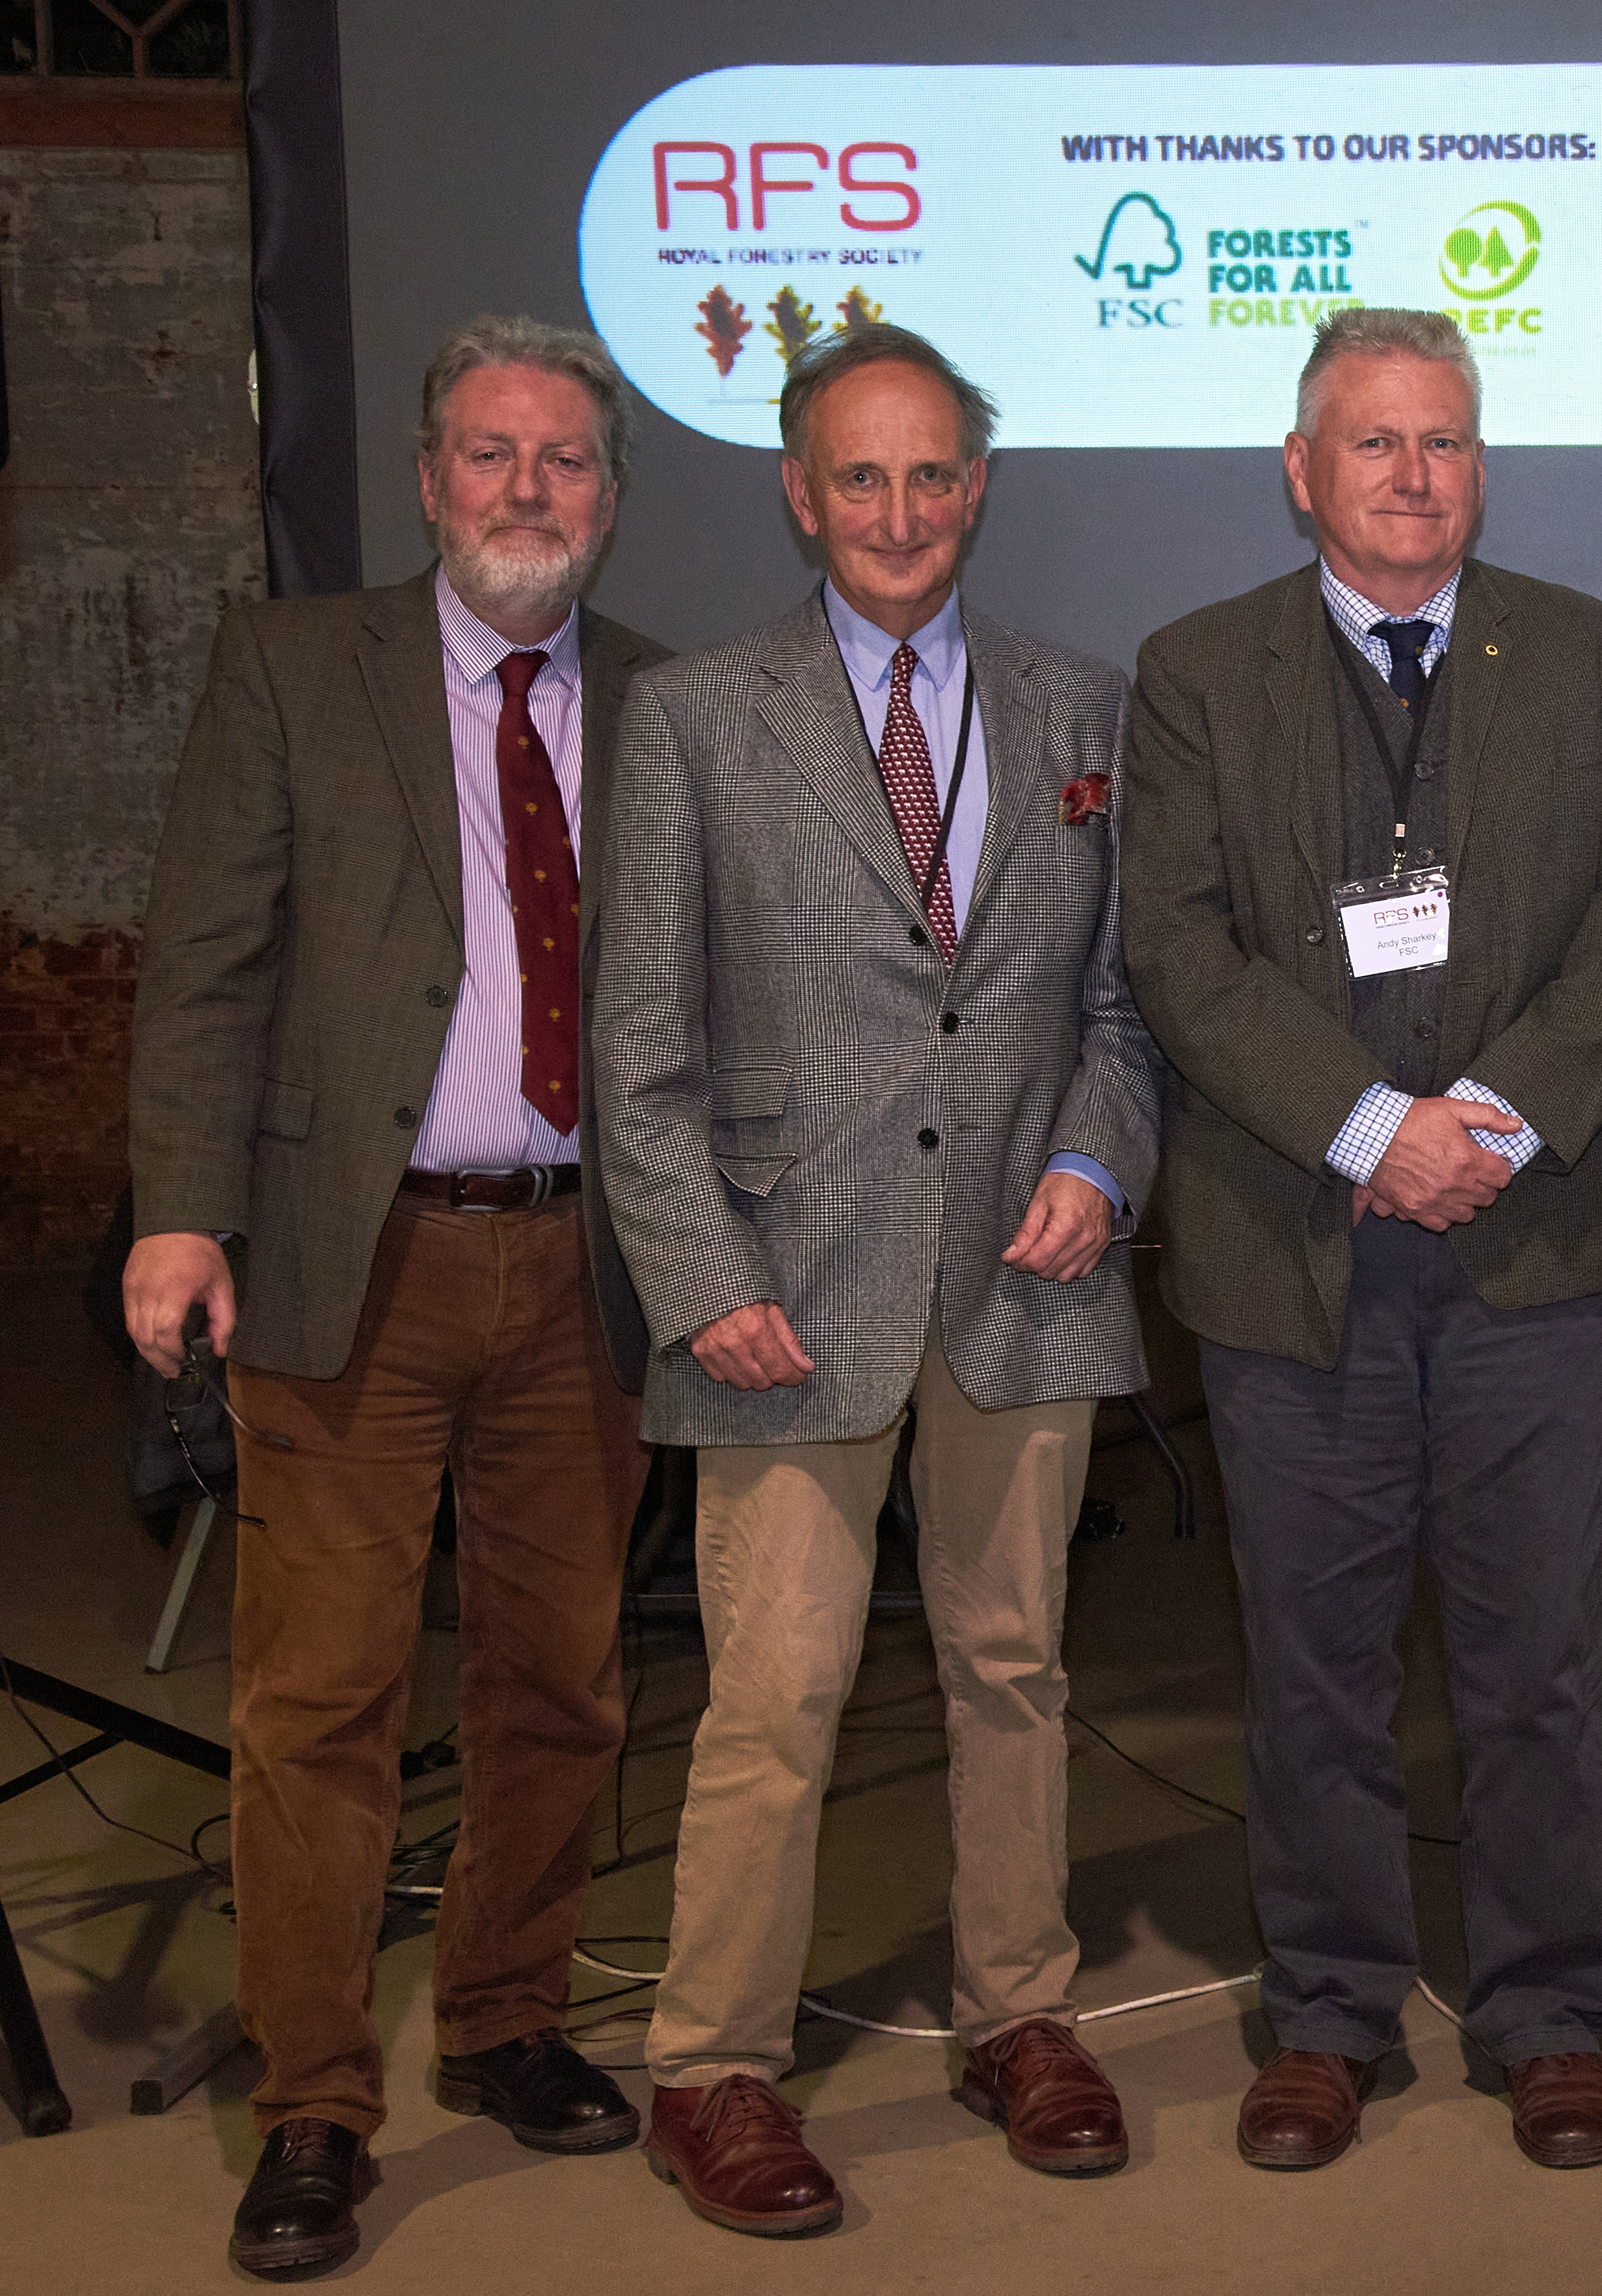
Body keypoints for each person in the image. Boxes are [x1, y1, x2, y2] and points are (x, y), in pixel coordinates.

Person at [593, 322, 1158, 2234]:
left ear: (978, 489)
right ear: (796, 490)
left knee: (1016, 1672)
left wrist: (1097, 1157)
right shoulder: (690, 716)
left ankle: (1019, 2017)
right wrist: (699, 1276)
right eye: (862, 476)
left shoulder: (1081, 709)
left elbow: (1115, 1006)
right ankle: (715, 2064)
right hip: (785, 1301)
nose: (900, 512)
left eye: (934, 477)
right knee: (776, 1697)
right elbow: (636, 1048)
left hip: (1024, 1275)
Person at [124, 316, 669, 2280]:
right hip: (358, 1257)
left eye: (568, 461)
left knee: (563, 1679)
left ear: (612, 495)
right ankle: (315, 2098)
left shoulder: (671, 701)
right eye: (492, 453)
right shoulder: (294, 671)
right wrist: (180, 1214)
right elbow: (203, 961)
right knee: (320, 1698)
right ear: (433, 478)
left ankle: (512, 2013)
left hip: (587, 1261)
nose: (530, 489)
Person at [1123, 307, 1602, 2172]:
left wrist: (1489, 1129)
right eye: (1374, 443)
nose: (1413, 474)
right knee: (1316, 1665)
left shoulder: (1584, 653)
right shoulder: (1198, 671)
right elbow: (1179, 946)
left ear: (1478, 466)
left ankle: (1547, 2013)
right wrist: (1372, 1130)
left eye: (1443, 441)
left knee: (1537, 1667)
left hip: (1530, 1244)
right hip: (1299, 1248)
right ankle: (1333, 2013)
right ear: (1304, 469)